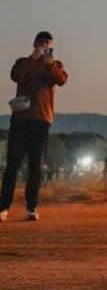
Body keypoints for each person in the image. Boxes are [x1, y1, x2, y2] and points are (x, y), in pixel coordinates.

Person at [1, 31, 68, 222]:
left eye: (48, 44)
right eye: (41, 43)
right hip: (21, 119)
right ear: (35, 44)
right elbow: (16, 76)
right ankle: (3, 207)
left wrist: (49, 63)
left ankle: (31, 207)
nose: (44, 46)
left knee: (36, 166)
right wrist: (33, 58)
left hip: (41, 120)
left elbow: (61, 80)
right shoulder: (23, 62)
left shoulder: (55, 65)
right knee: (12, 165)